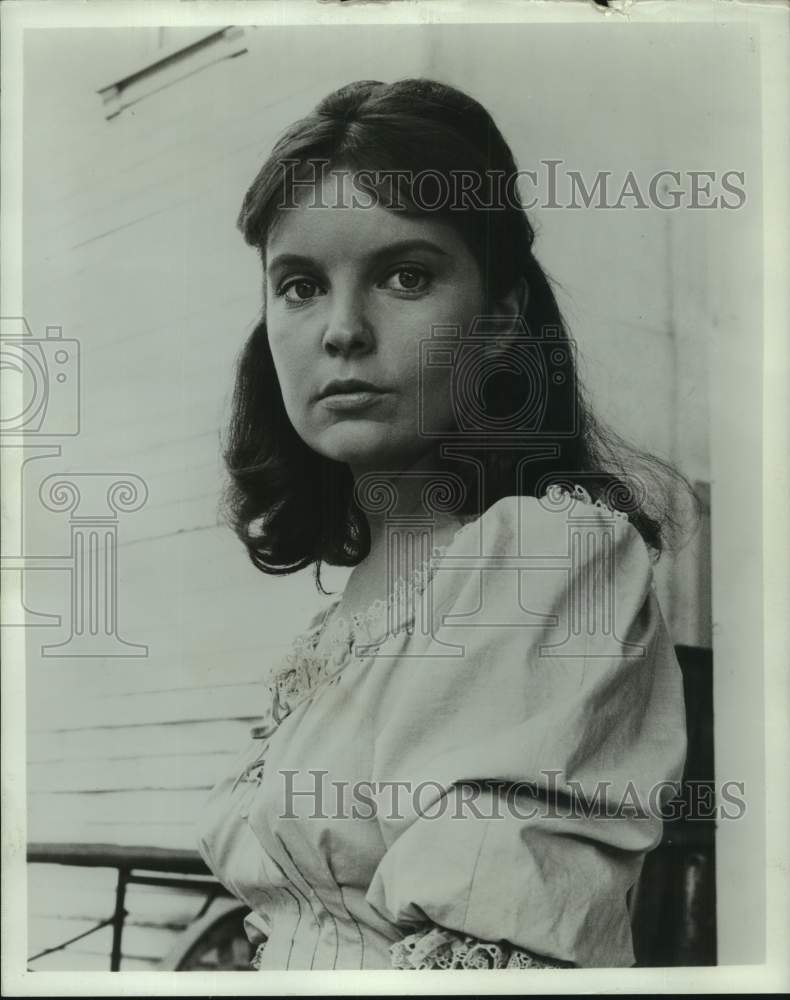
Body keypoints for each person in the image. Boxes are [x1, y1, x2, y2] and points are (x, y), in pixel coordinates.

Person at [197, 78, 696, 971]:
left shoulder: (550, 558)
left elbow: (493, 934)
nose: (343, 330)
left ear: (502, 317)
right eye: (301, 285)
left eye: (405, 276)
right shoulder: (339, 625)